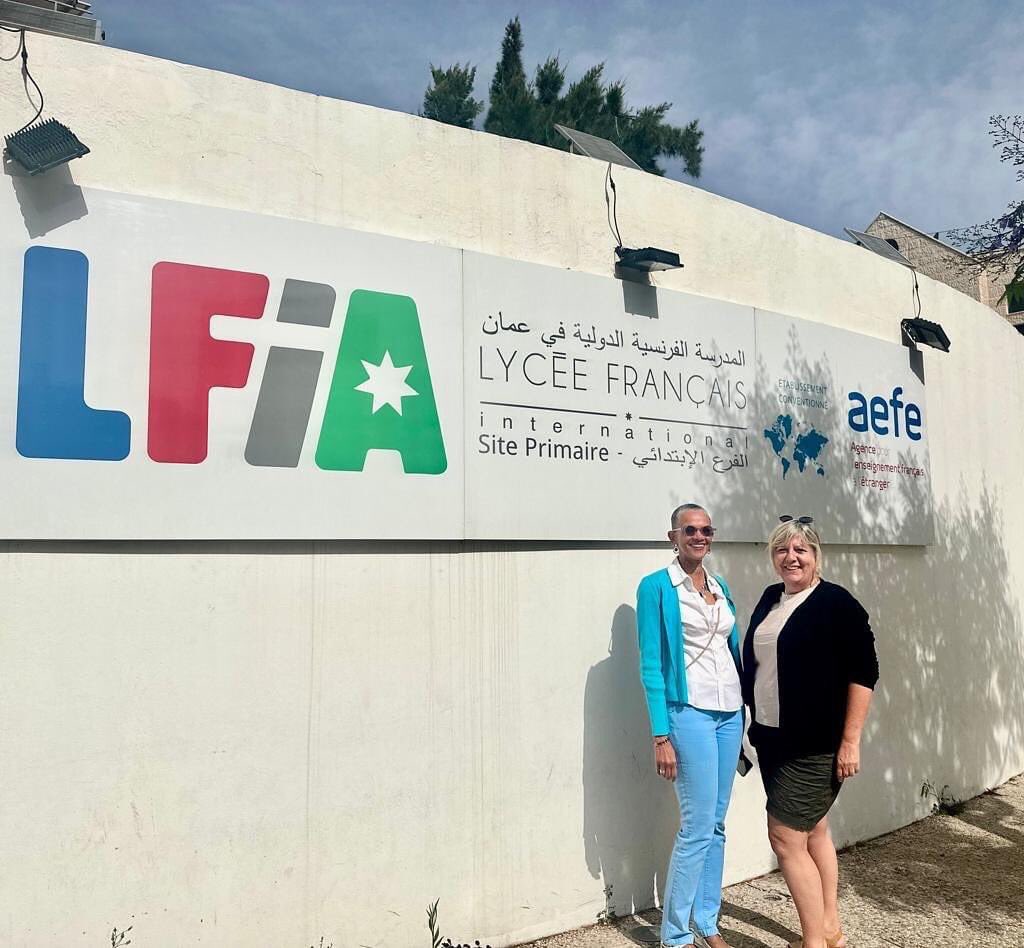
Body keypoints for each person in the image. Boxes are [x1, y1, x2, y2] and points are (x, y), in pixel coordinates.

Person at [741, 517, 879, 948]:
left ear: (816, 556)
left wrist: (850, 741)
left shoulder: (838, 604)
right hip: (772, 738)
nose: (791, 557)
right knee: (815, 830)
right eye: (782, 550)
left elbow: (864, 673)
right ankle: (830, 928)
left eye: (801, 549)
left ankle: (813, 943)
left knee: (784, 838)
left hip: (814, 744)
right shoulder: (770, 598)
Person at [637, 503, 745, 948]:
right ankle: (676, 937)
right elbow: (650, 665)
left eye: (706, 530)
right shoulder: (657, 588)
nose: (699, 536)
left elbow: (733, 651)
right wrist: (661, 734)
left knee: (717, 824)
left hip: (729, 714)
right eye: (690, 530)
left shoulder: (719, 585)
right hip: (689, 713)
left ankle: (707, 920)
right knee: (698, 824)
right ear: (673, 537)